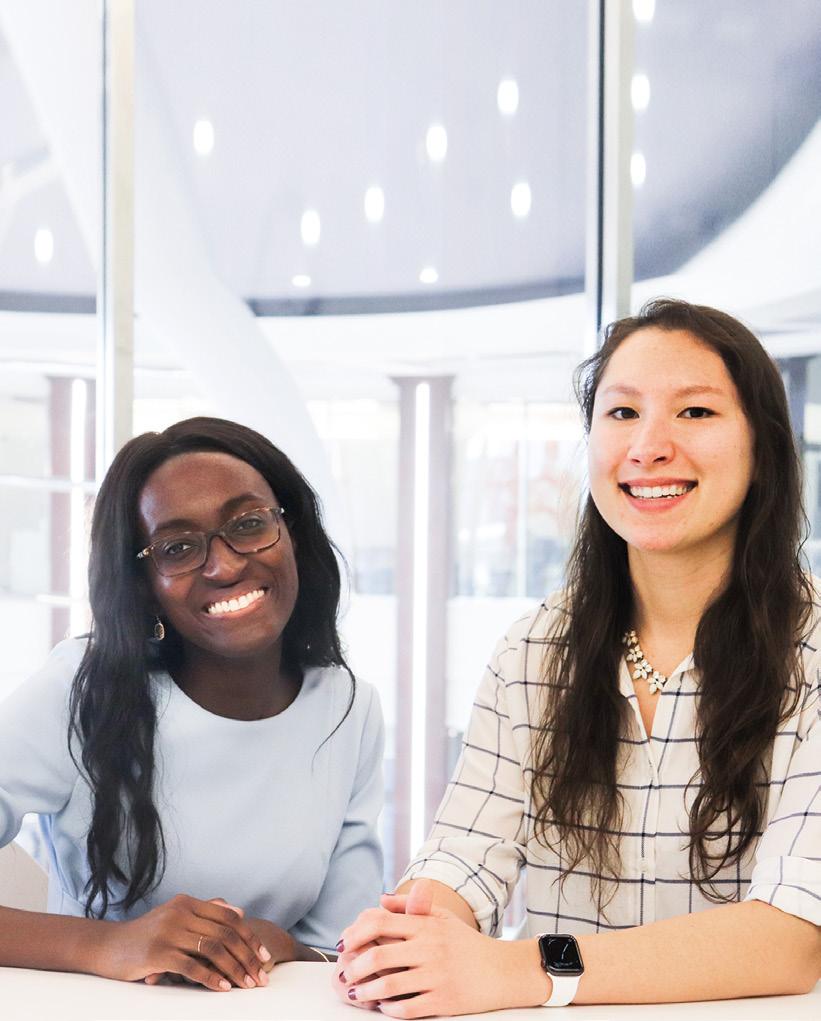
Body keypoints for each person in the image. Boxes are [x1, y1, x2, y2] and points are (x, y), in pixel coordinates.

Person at [335, 299, 821, 1016]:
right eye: (622, 413)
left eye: (694, 412)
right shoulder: (533, 650)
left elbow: (787, 940)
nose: (648, 447)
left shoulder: (810, 652)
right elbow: (464, 855)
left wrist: (521, 969)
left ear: (762, 448)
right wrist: (414, 934)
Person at [0, 416, 384, 992]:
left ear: (293, 534)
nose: (225, 565)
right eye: (177, 548)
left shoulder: (348, 707)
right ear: (143, 583)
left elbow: (341, 950)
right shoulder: (82, 690)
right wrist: (111, 944)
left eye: (248, 524)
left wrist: (277, 942)